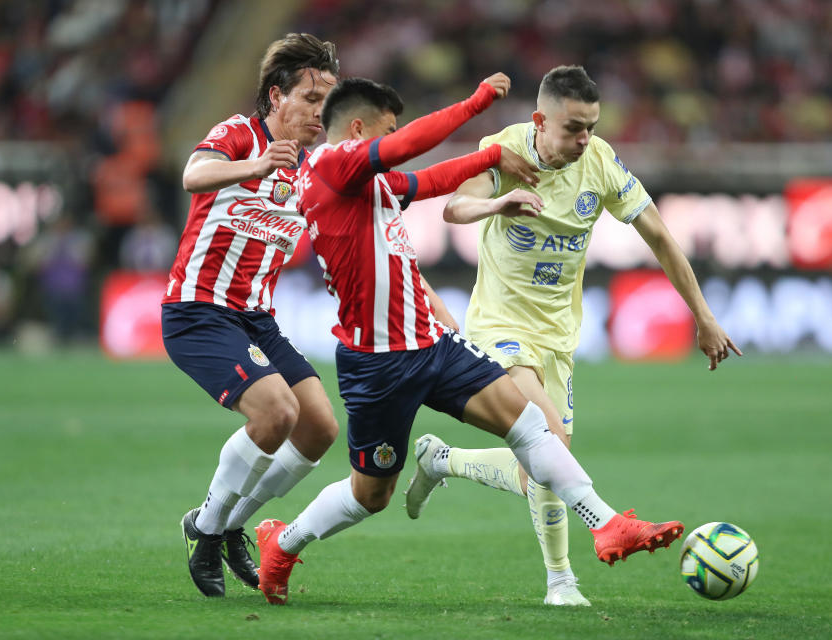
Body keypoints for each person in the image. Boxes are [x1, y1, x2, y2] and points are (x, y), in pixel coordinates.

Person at [253, 72, 684, 606]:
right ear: (358, 129)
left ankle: (608, 524)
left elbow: (430, 183)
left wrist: (489, 165)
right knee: (371, 495)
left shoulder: (371, 182)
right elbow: (412, 147)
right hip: (377, 364)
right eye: (387, 133)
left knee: (531, 427)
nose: (394, 146)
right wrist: (475, 104)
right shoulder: (329, 166)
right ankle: (283, 545)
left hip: (432, 344)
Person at [404, 65, 742, 607]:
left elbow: (657, 233)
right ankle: (566, 576)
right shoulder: (506, 150)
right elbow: (452, 205)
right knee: (551, 440)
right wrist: (497, 202)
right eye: (573, 128)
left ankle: (442, 460)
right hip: (499, 327)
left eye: (591, 126)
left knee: (537, 468)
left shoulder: (601, 162)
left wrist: (702, 315)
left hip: (558, 337)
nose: (584, 139)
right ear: (540, 121)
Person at [162, 33, 342, 598]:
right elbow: (193, 174)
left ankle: (231, 521)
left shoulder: (313, 168)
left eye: (328, 101)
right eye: (311, 98)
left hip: (256, 320)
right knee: (275, 412)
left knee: (319, 428)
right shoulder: (240, 135)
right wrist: (256, 165)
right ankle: (207, 531)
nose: (322, 112)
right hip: (198, 311)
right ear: (275, 96)